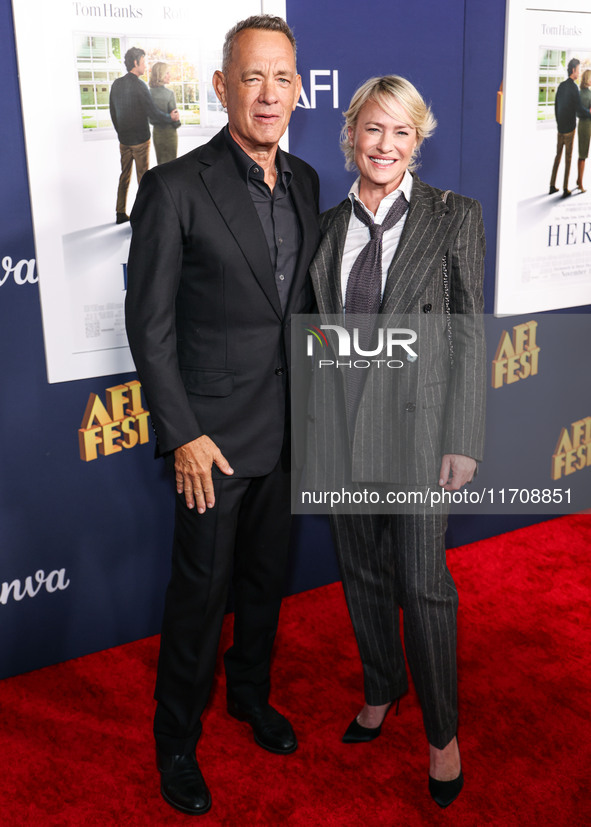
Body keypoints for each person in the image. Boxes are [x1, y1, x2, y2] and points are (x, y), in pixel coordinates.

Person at [125, 15, 320, 817]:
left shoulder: (307, 181)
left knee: (266, 583)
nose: (267, 94)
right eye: (251, 77)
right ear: (220, 87)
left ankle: (248, 696)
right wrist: (181, 434)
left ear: (298, 88)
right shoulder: (174, 186)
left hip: (286, 432)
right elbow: (150, 324)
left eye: (281, 78)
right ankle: (176, 738)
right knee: (199, 596)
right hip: (209, 440)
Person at [308, 76, 485, 808]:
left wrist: (463, 437)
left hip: (417, 427)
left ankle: (440, 733)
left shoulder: (454, 217)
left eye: (400, 132)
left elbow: (469, 332)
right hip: (342, 428)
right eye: (371, 129)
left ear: (419, 140)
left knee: (423, 583)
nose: (384, 145)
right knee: (363, 573)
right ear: (350, 134)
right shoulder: (324, 225)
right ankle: (381, 686)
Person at [109, 47, 180, 224]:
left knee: (124, 176)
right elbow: (153, 113)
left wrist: (120, 133)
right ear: (136, 63)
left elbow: (112, 112)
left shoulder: (116, 84)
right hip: (140, 141)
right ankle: (145, 217)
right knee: (144, 179)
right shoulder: (140, 86)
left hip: (124, 141)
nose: (146, 65)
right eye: (144, 61)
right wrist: (170, 117)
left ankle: (120, 212)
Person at [549, 58, 591, 197]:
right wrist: (589, 114)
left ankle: (552, 185)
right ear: (573, 70)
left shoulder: (561, 86)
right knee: (568, 158)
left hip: (560, 128)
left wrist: (559, 123)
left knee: (557, 156)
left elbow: (556, 106)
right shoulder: (573, 88)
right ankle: (566, 188)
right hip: (569, 129)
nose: (579, 73)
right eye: (578, 70)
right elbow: (579, 107)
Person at [149, 62, 181, 165]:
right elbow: (175, 118)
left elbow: (151, 116)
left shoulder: (148, 93)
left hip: (157, 134)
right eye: (167, 73)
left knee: (161, 165)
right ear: (160, 74)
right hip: (170, 133)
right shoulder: (169, 94)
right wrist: (177, 121)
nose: (169, 75)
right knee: (172, 166)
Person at [577, 69, 591, 192]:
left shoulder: (584, 92)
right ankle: (580, 183)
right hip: (585, 126)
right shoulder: (584, 93)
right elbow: (580, 111)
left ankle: (578, 180)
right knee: (583, 155)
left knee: (583, 154)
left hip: (586, 124)